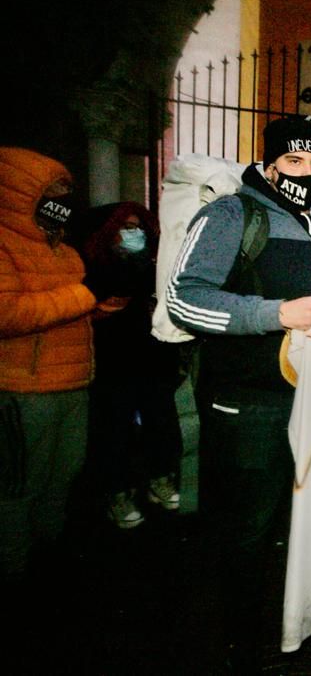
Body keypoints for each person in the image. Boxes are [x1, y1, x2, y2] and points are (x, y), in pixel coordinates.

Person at [166, 115, 311, 669]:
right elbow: (184, 300)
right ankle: (238, 638)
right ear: (269, 164)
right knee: (246, 526)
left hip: (308, 401)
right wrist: (273, 315)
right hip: (245, 404)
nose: (307, 173)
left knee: (294, 522)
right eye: (295, 162)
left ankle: (285, 623)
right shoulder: (230, 214)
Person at [1, 147, 96, 582]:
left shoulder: (62, 249)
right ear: (21, 193)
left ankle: (49, 561)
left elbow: (78, 306)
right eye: (53, 190)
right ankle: (14, 571)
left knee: (64, 477)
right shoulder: (4, 245)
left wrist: (111, 293)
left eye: (66, 190)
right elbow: (9, 314)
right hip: (24, 390)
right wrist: (88, 292)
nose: (63, 198)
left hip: (73, 383)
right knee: (20, 486)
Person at [76, 202, 184, 528]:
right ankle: (117, 493)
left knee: (162, 425)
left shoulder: (154, 265)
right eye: (126, 226)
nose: (133, 233)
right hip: (113, 364)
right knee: (113, 432)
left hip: (153, 361)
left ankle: (159, 480)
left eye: (138, 226)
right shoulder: (93, 265)